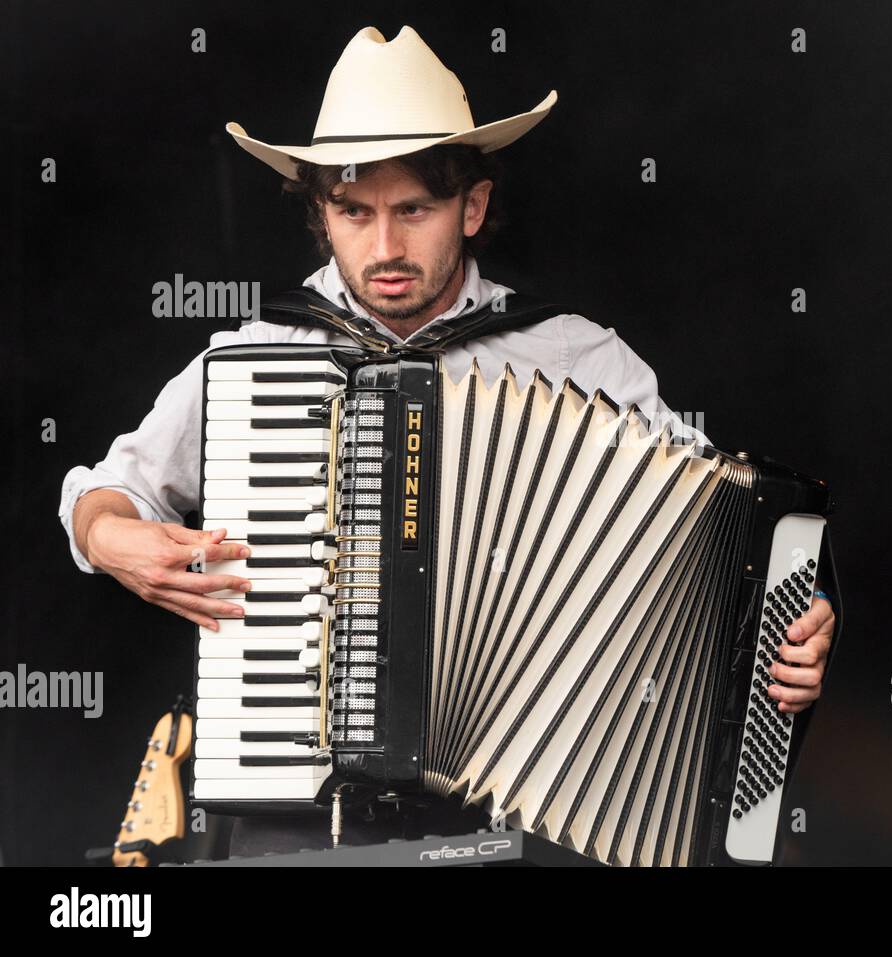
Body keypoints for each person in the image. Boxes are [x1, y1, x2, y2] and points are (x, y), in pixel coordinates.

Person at [58, 25, 836, 858]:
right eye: (353, 212)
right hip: (289, 828)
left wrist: (794, 622)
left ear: (473, 206)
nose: (384, 248)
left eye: (413, 211)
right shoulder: (257, 356)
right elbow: (109, 491)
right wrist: (112, 539)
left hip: (500, 830)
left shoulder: (574, 355)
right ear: (322, 213)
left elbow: (728, 531)